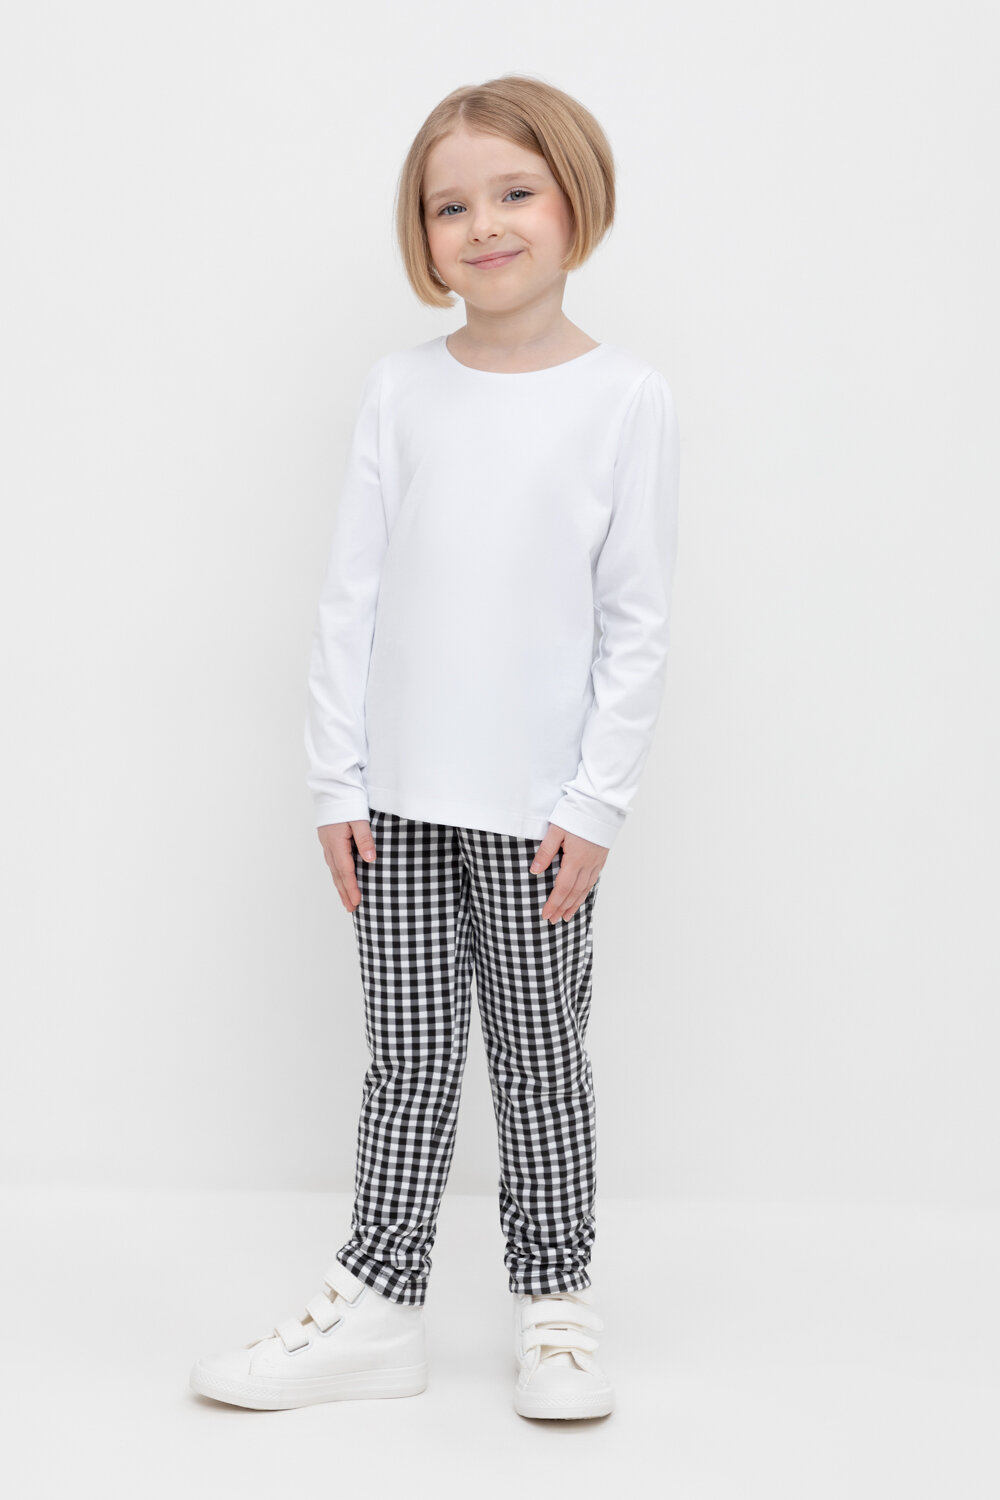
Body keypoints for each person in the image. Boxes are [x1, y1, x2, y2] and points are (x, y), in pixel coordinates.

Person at [190, 73, 679, 1423]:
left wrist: (597, 804)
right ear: (422, 234)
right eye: (449, 206)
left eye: (514, 193)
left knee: (540, 1059)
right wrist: (333, 782)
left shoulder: (626, 399)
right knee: (406, 1061)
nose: (484, 226)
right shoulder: (399, 392)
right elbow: (349, 600)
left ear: (575, 199)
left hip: (539, 817)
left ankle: (556, 1302)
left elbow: (638, 623)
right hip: (396, 805)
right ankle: (381, 1301)